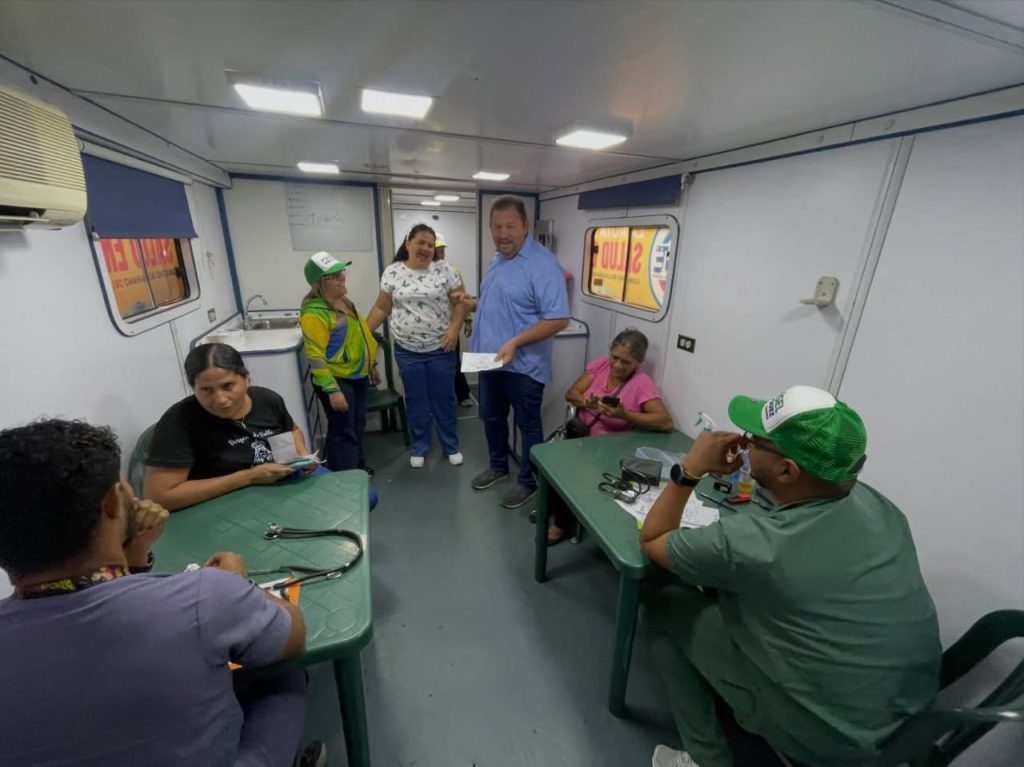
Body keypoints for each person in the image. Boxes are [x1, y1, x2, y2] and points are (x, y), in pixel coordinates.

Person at [638, 386, 941, 767]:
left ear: (787, 470)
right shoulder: (880, 506)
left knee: (662, 597)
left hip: (833, 739)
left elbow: (652, 539)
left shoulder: (756, 544)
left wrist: (690, 471)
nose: (744, 442)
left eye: (755, 440)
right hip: (906, 721)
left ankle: (705, 759)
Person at [0, 419, 325, 767]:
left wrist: (133, 557)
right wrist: (236, 584)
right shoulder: (207, 596)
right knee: (283, 674)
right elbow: (293, 634)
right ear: (112, 503)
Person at [467, 197, 570, 509]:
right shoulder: (498, 259)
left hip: (523, 366)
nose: (503, 234)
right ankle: (498, 466)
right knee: (491, 417)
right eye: (496, 227)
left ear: (525, 226)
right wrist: (474, 305)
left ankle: (529, 480)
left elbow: (558, 319)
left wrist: (515, 342)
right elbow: (504, 302)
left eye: (510, 226)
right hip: (490, 360)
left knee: (528, 425)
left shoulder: (543, 264)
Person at [144, 343, 314, 511]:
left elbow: (293, 430)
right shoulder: (180, 420)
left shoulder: (267, 399)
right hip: (220, 509)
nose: (220, 399)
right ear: (193, 388)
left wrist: (302, 455)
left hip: (281, 494)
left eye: (227, 386)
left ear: (246, 378)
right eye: (206, 390)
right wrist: (248, 477)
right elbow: (160, 497)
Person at [543, 328, 674, 543]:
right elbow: (571, 393)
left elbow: (666, 422)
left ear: (639, 362)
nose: (618, 365)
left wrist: (625, 415)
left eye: (626, 362)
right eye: (615, 357)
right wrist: (587, 403)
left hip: (608, 447)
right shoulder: (601, 365)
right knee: (545, 463)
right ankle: (556, 504)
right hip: (579, 435)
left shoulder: (641, 383)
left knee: (566, 472)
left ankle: (562, 523)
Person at [367, 224, 468, 468]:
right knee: (416, 401)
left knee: (444, 399)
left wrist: (454, 329)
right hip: (407, 351)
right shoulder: (393, 272)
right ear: (408, 243)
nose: (425, 248)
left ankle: (451, 445)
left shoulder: (445, 270)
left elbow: (461, 303)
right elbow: (381, 307)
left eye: (430, 245)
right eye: (420, 242)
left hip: (440, 349)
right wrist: (362, 333)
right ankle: (419, 446)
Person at [300, 251, 379, 476]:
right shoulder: (315, 313)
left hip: (357, 375)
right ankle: (347, 477)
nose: (341, 278)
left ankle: (355, 467)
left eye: (341, 272)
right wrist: (332, 390)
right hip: (336, 379)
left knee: (356, 424)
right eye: (333, 276)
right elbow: (315, 357)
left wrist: (371, 364)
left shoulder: (344, 302)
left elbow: (361, 336)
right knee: (344, 429)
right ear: (319, 283)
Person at [433, 232, 473, 407]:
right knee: (435, 367)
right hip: (430, 330)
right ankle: (439, 399)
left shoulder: (452, 270)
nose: (441, 253)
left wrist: (468, 321)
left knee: (454, 362)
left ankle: (463, 395)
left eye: (442, 250)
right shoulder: (421, 271)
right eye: (438, 250)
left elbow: (462, 297)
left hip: (451, 326)